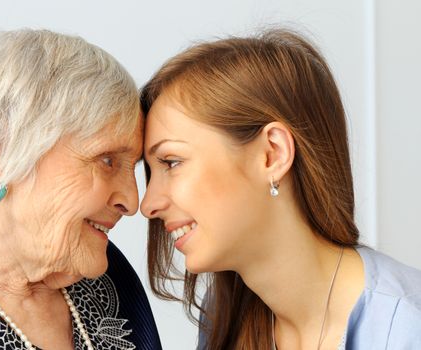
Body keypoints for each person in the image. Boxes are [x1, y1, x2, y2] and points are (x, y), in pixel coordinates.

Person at [139, 29, 421, 349]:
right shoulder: (226, 320)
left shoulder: (407, 327)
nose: (148, 204)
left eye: (172, 162)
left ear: (272, 153)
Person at [0, 29, 161, 350]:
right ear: (1, 150)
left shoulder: (109, 281)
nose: (132, 201)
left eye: (132, 167)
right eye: (107, 160)